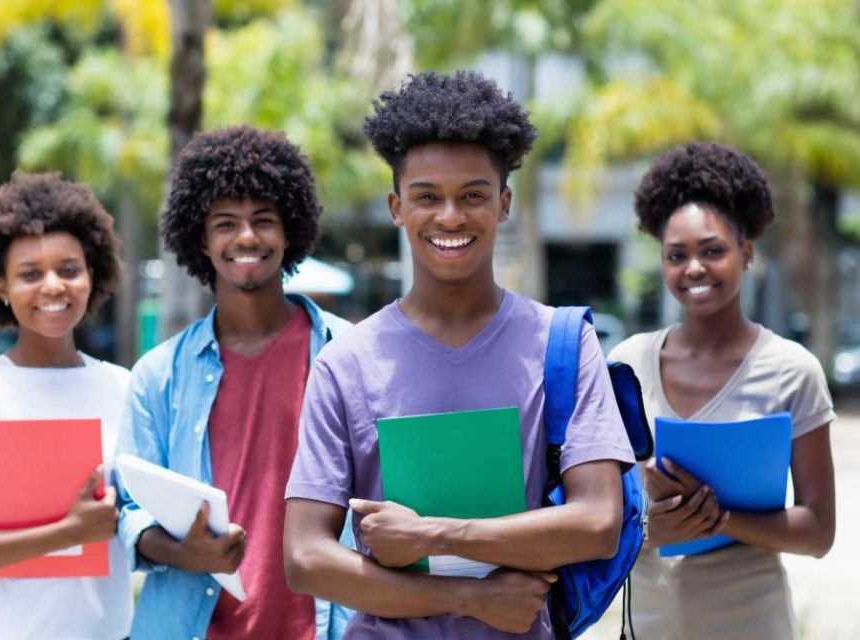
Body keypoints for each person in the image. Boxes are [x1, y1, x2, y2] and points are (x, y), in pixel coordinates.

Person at [283, 70, 636, 638]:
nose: (450, 216)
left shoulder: (562, 345)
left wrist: (434, 535)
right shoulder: (345, 364)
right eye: (428, 197)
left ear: (504, 203)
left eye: (472, 195)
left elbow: (598, 523)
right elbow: (304, 558)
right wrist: (470, 597)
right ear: (397, 207)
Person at [116, 125, 352, 640]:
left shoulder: (350, 355)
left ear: (288, 232)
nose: (246, 237)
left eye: (263, 220)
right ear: (202, 239)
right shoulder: (157, 377)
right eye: (226, 223)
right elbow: (129, 510)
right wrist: (183, 552)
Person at [608, 141, 836, 639]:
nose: (694, 267)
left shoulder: (791, 370)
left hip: (752, 625)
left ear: (746, 254)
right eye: (677, 255)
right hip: (647, 628)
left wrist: (716, 517)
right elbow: (597, 508)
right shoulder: (628, 364)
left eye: (713, 251)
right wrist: (648, 528)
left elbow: (818, 531)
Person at [0, 171, 131, 640]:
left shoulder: (123, 388)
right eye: (30, 274)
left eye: (69, 269)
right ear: (2, 288)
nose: (53, 286)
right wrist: (67, 533)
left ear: (92, 275)